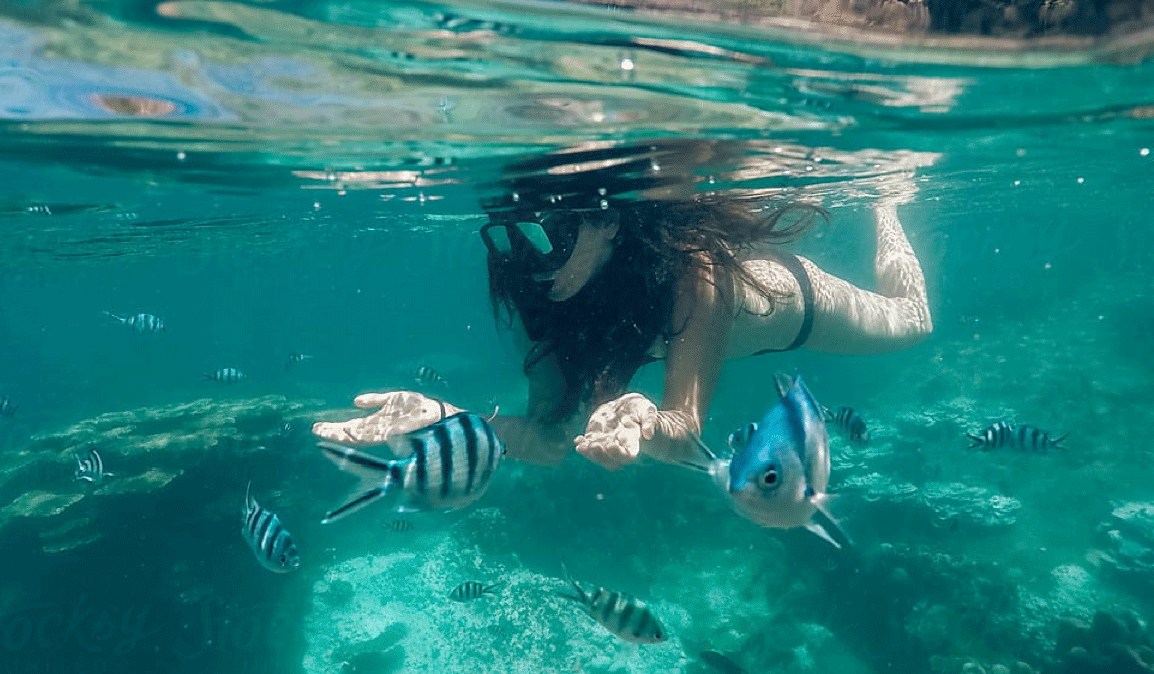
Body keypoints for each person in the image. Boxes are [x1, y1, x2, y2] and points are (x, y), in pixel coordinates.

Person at [312, 184, 932, 472]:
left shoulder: (695, 272)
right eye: (516, 240)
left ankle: (888, 201)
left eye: (553, 238)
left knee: (912, 321)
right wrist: (451, 421)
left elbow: (687, 429)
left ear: (608, 223)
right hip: (702, 324)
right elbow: (549, 440)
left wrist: (651, 419)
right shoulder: (546, 294)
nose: (536, 264)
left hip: (790, 306)